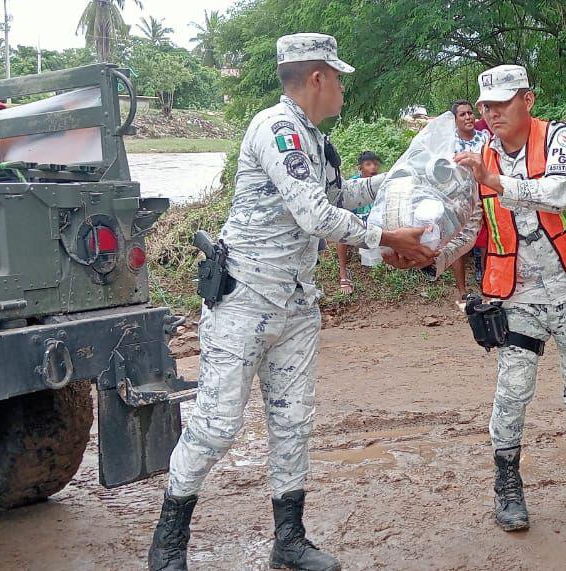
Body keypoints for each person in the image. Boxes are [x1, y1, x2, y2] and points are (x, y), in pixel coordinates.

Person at [146, 33, 435, 571]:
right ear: (318, 78)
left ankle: (289, 538)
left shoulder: (311, 138)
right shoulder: (276, 129)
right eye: (340, 79)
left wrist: (398, 181)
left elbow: (335, 197)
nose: (344, 90)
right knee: (215, 423)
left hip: (296, 303)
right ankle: (168, 543)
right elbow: (316, 217)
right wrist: (388, 239)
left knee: (294, 419)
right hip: (246, 299)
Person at [451, 64, 566, 532]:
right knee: (512, 391)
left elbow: (558, 193)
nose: (490, 114)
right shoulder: (477, 157)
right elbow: (469, 226)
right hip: (518, 295)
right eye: (485, 105)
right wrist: (420, 248)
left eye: (501, 104)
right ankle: (506, 485)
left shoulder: (561, 139)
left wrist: (496, 181)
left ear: (527, 101)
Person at [449, 99, 490, 301]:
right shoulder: (449, 142)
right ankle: (462, 291)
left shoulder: (485, 137)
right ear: (454, 119)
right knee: (460, 244)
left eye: (470, 113)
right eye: (462, 114)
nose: (468, 117)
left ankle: (487, 285)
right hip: (460, 200)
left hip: (486, 195)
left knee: (486, 242)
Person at [335, 150, 382, 294]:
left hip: (374, 225)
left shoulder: (380, 184)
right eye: (368, 164)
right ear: (360, 168)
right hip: (356, 224)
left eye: (375, 164)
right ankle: (343, 272)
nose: (373, 167)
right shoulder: (352, 186)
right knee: (341, 234)